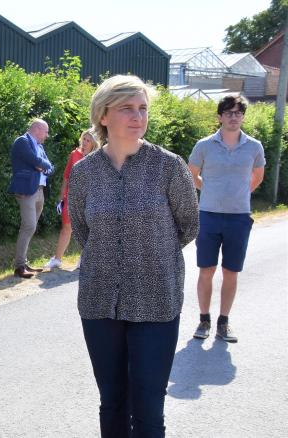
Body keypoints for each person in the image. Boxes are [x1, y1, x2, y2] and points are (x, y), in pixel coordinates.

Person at [68, 75, 198, 437]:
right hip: (99, 302)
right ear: (104, 115)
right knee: (111, 401)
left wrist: (150, 256)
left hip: (156, 301)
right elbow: (82, 230)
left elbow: (188, 225)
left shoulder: (169, 167)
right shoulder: (84, 173)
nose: (137, 116)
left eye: (142, 108)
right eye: (127, 108)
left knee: (148, 408)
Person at [188, 95, 266, 343]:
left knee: (231, 271)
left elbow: (257, 177)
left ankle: (223, 322)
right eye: (229, 112)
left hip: (239, 217)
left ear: (243, 116)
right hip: (208, 216)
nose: (234, 117)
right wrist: (210, 192)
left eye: (238, 113)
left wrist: (239, 193)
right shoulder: (204, 145)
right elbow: (192, 175)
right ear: (220, 116)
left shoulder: (254, 146)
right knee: (206, 270)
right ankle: (204, 320)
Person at [8, 119, 54, 278]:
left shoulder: (39, 146)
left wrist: (43, 166)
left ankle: (23, 263)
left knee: (30, 227)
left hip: (40, 190)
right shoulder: (22, 141)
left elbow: (50, 166)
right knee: (29, 226)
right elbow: (35, 161)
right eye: (46, 131)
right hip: (26, 190)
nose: (47, 135)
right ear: (37, 129)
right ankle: (19, 267)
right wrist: (41, 165)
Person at [45, 129, 97, 270]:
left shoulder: (98, 158)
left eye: (88, 140)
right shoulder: (74, 154)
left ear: (93, 143)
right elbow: (66, 176)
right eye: (84, 139)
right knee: (66, 227)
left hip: (89, 198)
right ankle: (57, 260)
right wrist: (61, 197)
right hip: (72, 196)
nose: (85, 142)